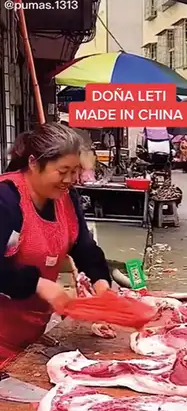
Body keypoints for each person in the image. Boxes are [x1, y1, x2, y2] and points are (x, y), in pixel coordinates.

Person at [0, 123, 113, 362]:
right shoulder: (6, 199)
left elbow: (85, 249)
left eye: (75, 171)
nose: (69, 180)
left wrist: (101, 284)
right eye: (62, 171)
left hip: (30, 335)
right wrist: (39, 284)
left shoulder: (66, 198)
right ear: (33, 163)